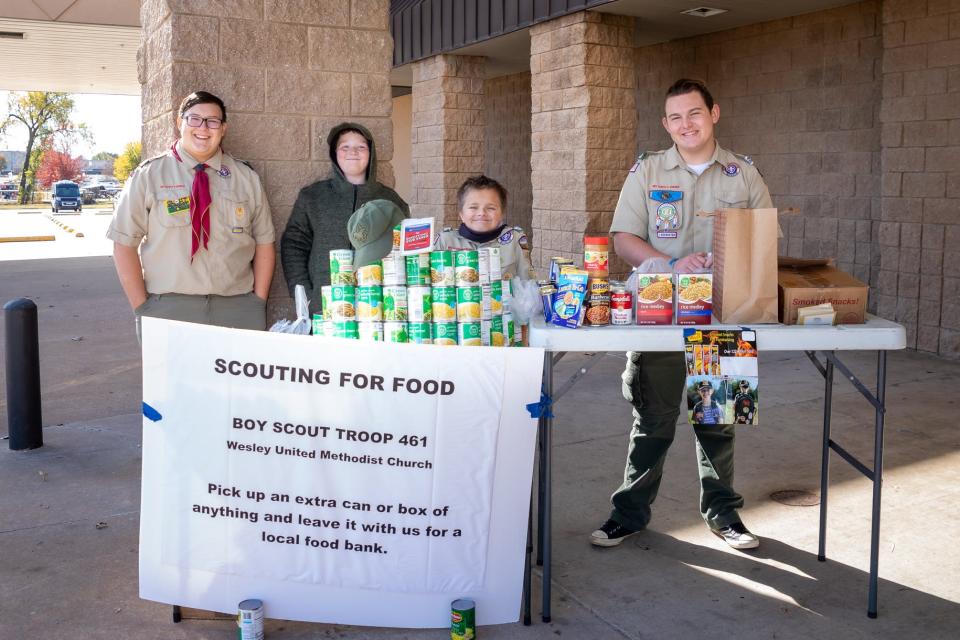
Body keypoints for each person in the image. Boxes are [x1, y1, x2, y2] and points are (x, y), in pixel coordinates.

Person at [590, 78, 773, 551]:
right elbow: (624, 238)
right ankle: (627, 513)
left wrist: (733, 256)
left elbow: (764, 239)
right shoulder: (648, 172)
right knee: (653, 420)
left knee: (719, 419)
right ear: (665, 124)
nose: (685, 124)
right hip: (662, 312)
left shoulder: (743, 174)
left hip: (721, 314)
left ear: (714, 112)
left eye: (694, 113)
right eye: (675, 117)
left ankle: (724, 514)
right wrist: (672, 263)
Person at [107, 91, 276, 339]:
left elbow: (264, 242)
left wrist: (257, 302)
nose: (203, 128)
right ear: (179, 123)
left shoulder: (246, 178)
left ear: (223, 128)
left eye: (213, 121)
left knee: (231, 380)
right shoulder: (149, 175)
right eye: (194, 119)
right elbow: (123, 243)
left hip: (237, 310)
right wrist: (143, 307)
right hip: (168, 309)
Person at [281, 123, 408, 316]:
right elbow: (293, 246)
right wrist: (306, 296)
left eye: (361, 147)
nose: (353, 152)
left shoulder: (391, 200)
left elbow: (405, 250)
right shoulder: (313, 197)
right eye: (345, 147)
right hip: (324, 308)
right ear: (334, 153)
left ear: (371, 153)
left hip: (378, 309)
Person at [436, 174, 535, 281]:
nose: (481, 213)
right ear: (461, 214)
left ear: (502, 213)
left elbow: (528, 284)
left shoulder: (514, 239)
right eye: (473, 207)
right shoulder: (444, 241)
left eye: (491, 208)